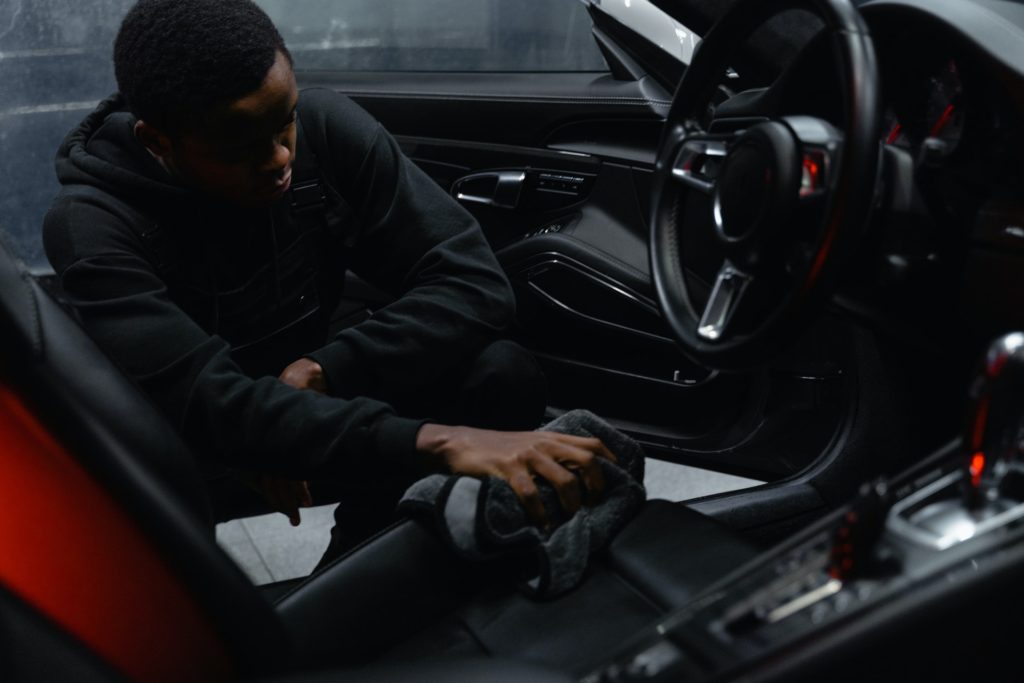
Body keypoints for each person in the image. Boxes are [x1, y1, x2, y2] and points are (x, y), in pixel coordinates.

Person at [43, 0, 615, 566]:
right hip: (195, 442)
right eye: (240, 146)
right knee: (122, 496)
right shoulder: (93, 222)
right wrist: (443, 441)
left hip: (312, 402)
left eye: (283, 119)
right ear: (157, 142)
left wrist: (325, 371)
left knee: (500, 371)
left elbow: (476, 283)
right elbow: (208, 405)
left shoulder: (323, 125)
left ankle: (360, 572)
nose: (279, 158)